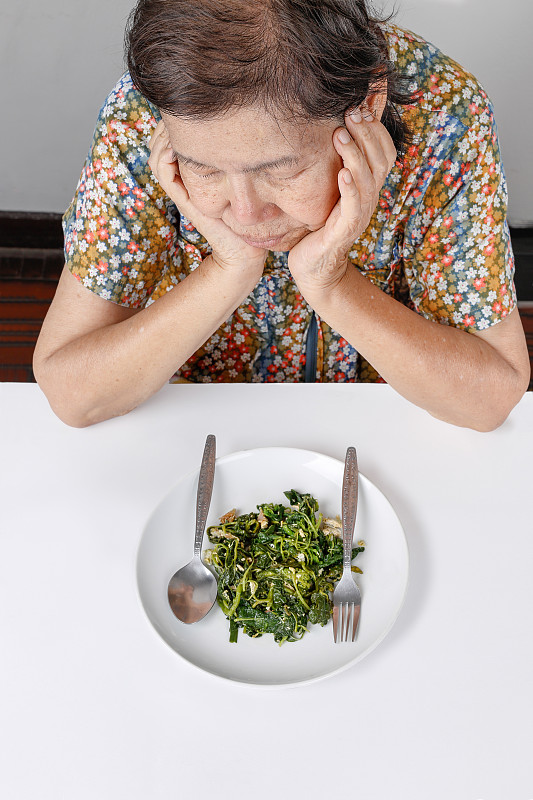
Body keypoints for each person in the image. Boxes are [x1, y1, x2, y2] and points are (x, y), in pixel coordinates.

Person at [33, 0, 530, 429]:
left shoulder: (444, 114)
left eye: (282, 171)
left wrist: (330, 282)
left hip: (388, 423)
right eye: (204, 170)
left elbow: (490, 397)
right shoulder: (143, 115)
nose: (246, 214)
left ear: (368, 103)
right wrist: (227, 269)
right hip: (187, 421)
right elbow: (71, 392)